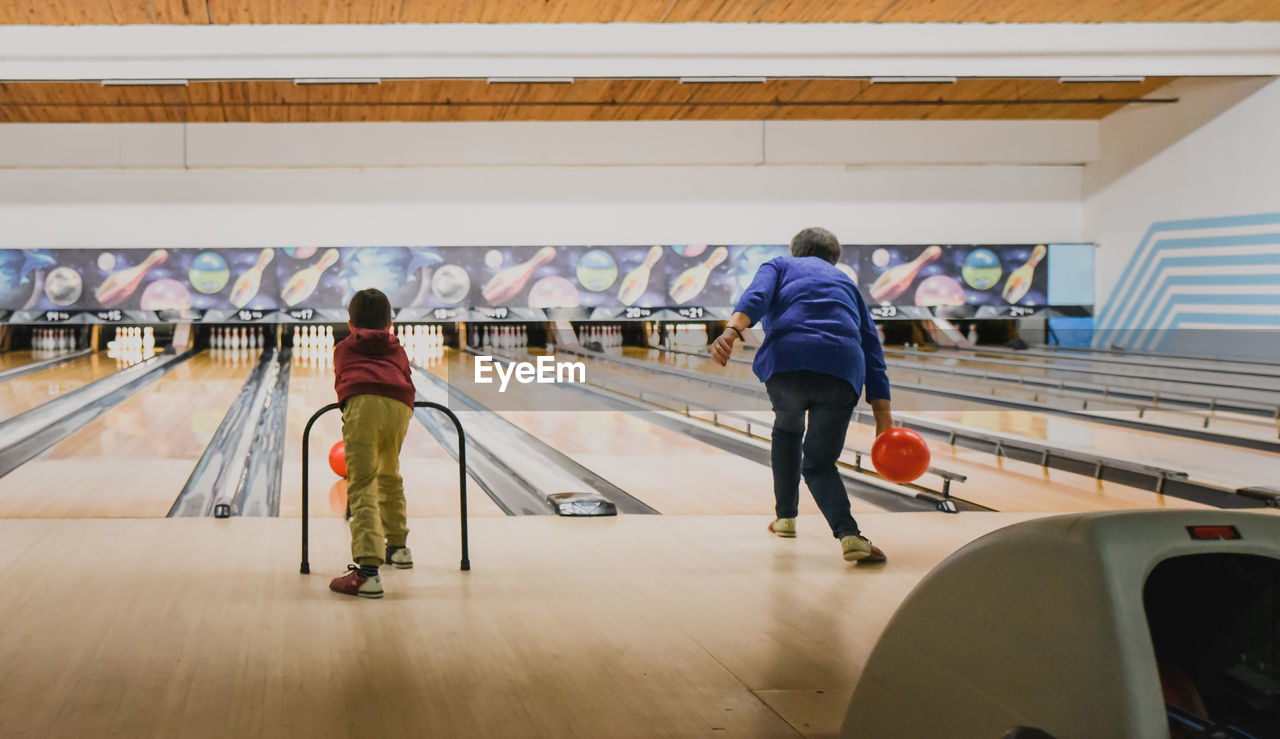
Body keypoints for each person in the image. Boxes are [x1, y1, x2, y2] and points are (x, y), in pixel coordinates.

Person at [711, 227, 893, 563]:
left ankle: (785, 519)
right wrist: (884, 418)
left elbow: (756, 297)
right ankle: (850, 535)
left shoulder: (779, 265)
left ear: (796, 251)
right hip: (842, 371)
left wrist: (732, 331)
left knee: (787, 429)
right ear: (834, 257)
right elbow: (872, 349)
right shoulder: (848, 285)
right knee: (820, 464)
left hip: (787, 366)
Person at [328, 288, 416, 599]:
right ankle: (398, 547)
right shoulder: (398, 348)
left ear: (350, 324)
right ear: (390, 324)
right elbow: (406, 377)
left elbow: (342, 382)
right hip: (400, 406)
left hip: (363, 405)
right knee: (390, 474)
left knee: (363, 482)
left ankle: (367, 573)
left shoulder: (343, 348)